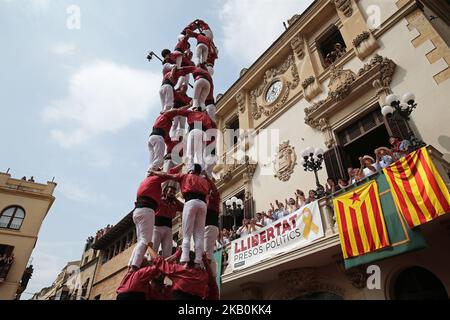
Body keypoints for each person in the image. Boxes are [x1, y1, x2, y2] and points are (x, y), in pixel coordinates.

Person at [150, 164, 209, 267]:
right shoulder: (204, 181)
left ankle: (184, 259)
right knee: (199, 235)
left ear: (191, 170)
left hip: (190, 202)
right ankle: (198, 261)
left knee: (187, 234)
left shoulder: (185, 176)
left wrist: (154, 172)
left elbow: (167, 175)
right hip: (203, 205)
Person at [127, 171, 172, 271]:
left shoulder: (143, 183)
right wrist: (181, 165)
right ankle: (134, 266)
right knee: (145, 241)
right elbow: (168, 174)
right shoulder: (154, 179)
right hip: (146, 210)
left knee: (140, 241)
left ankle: (131, 264)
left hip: (138, 211)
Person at [147, 107, 188, 175]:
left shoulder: (181, 144)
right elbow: (176, 111)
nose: (173, 119)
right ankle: (151, 172)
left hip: (152, 138)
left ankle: (151, 172)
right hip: (159, 139)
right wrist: (188, 106)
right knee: (159, 160)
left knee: (153, 161)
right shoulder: (166, 116)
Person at [152, 183, 184, 258]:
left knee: (167, 252)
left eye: (173, 193)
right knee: (153, 249)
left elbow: (184, 208)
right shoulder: (159, 200)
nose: (172, 194)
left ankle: (165, 267)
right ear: (165, 192)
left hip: (168, 229)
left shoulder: (175, 204)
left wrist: (175, 199)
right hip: (157, 228)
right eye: (170, 192)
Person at [204, 175, 220, 278]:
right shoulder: (205, 198)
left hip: (210, 226)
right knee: (207, 252)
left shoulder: (214, 196)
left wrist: (208, 178)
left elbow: (214, 189)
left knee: (207, 253)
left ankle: (210, 276)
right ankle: (212, 275)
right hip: (207, 228)